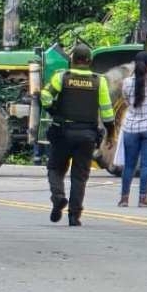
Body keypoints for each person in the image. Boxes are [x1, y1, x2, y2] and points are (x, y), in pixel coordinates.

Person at [40, 44, 115, 226]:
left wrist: (53, 110)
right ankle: (74, 216)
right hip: (87, 135)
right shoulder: (99, 81)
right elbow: (107, 112)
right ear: (89, 61)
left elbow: (44, 96)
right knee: (79, 176)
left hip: (63, 132)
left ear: (72, 60)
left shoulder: (62, 77)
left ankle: (58, 197)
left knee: (55, 169)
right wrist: (110, 134)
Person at [118, 51, 147, 207]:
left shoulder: (126, 83)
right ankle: (143, 198)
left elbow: (126, 102)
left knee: (129, 165)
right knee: (146, 165)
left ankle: (124, 198)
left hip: (131, 127)